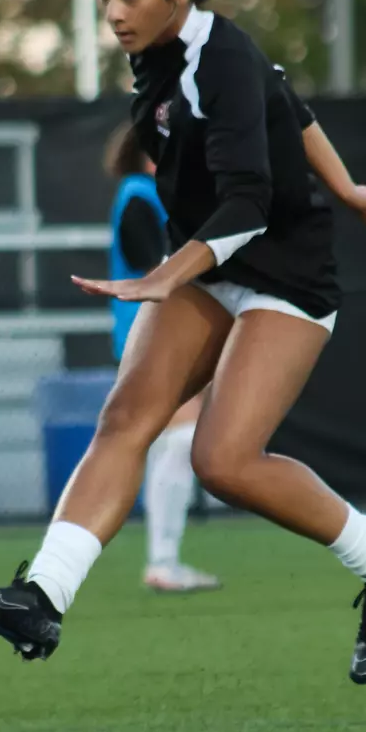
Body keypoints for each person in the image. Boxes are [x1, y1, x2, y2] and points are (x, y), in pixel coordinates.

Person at [0, 0, 366, 686]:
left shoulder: (219, 59)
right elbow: (291, 105)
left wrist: (168, 275)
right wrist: (351, 190)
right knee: (126, 418)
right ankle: (41, 597)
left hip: (285, 273)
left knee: (224, 461)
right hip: (211, 262)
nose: (113, 13)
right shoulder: (173, 53)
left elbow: (251, 201)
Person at [104, 121, 220, 593]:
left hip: (162, 338)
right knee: (180, 440)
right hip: (154, 339)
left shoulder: (160, 197)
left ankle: (163, 559)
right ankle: (163, 561)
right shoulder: (138, 194)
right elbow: (157, 270)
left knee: (166, 446)